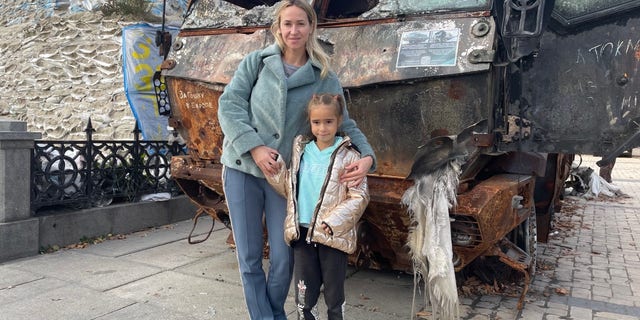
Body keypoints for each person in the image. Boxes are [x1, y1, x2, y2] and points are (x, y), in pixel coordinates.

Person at [217, 1, 376, 319]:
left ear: (311, 27)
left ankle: (274, 311)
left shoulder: (324, 76)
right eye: (287, 24)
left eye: (300, 23)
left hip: (284, 180)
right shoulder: (256, 63)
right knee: (249, 258)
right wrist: (256, 148)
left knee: (284, 257)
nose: (293, 30)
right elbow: (230, 104)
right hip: (242, 168)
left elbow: (344, 121)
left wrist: (368, 155)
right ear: (277, 27)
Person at [266, 93, 369, 320]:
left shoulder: (350, 157)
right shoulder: (301, 152)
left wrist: (331, 223)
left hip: (332, 235)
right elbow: (290, 188)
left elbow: (359, 197)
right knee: (304, 296)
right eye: (317, 122)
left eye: (328, 122)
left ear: (339, 121)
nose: (322, 128)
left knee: (334, 297)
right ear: (310, 123)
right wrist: (275, 173)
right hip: (302, 233)